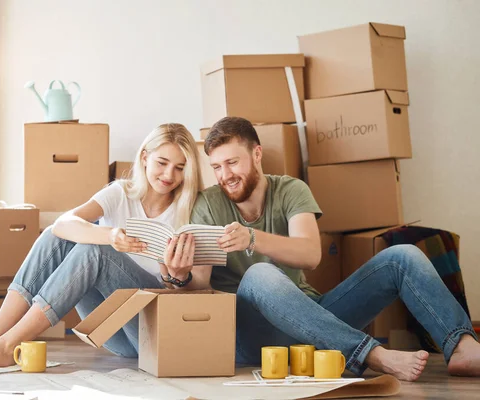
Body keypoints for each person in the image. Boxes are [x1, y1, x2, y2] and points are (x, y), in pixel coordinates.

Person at [190, 116, 480, 382]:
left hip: (314, 323)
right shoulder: (208, 204)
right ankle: (371, 354)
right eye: (216, 167)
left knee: (403, 256)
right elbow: (201, 284)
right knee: (259, 275)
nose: (225, 175)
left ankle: (462, 347)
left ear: (257, 154)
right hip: (253, 336)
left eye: (232, 162)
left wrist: (252, 238)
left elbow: (310, 255)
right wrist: (180, 272)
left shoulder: (290, 190)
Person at [0, 123, 207, 368]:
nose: (169, 174)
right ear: (145, 157)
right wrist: (110, 235)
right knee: (56, 237)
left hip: (152, 330)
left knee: (94, 252)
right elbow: (62, 224)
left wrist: (175, 275)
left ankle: (9, 345)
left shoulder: (193, 209)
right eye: (162, 162)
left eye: (180, 168)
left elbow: (202, 288)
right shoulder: (121, 193)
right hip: (114, 332)